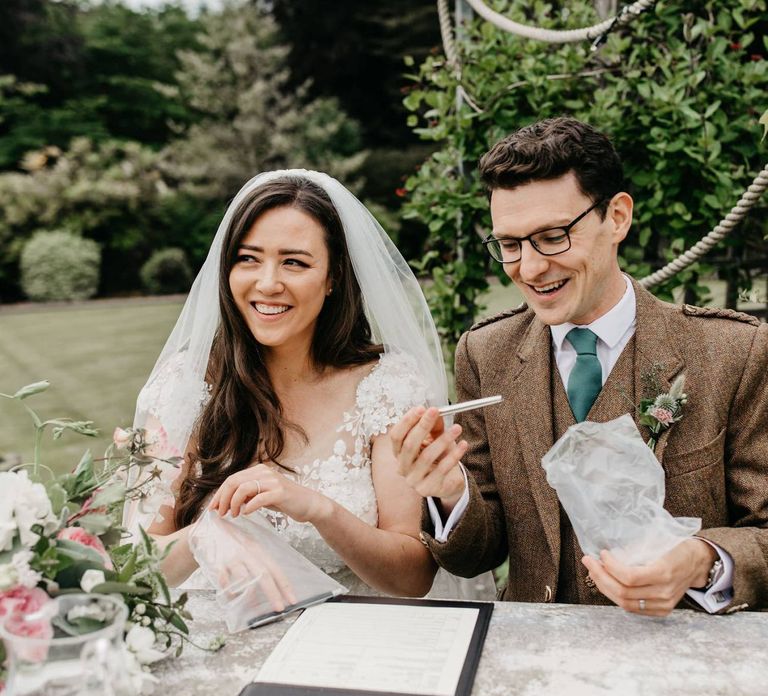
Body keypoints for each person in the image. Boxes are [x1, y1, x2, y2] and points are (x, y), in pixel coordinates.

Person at [391, 117, 768, 616]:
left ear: (617, 217)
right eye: (509, 244)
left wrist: (702, 562)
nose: (528, 268)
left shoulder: (734, 352)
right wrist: (446, 490)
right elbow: (478, 554)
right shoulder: (485, 354)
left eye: (552, 237)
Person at [123, 169, 494, 599]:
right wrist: (206, 536)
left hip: (346, 643)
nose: (267, 283)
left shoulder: (386, 386)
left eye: (294, 262)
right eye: (248, 258)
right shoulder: (184, 386)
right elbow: (137, 568)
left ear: (334, 276)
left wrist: (319, 510)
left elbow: (412, 578)